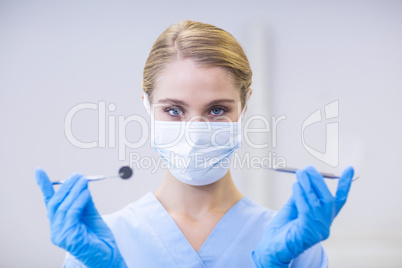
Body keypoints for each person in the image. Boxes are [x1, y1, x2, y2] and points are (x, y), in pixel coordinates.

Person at [35, 20, 354, 268]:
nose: (195, 131)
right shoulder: (95, 247)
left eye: (217, 110)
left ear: (244, 107)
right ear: (147, 106)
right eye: (174, 110)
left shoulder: (293, 242)